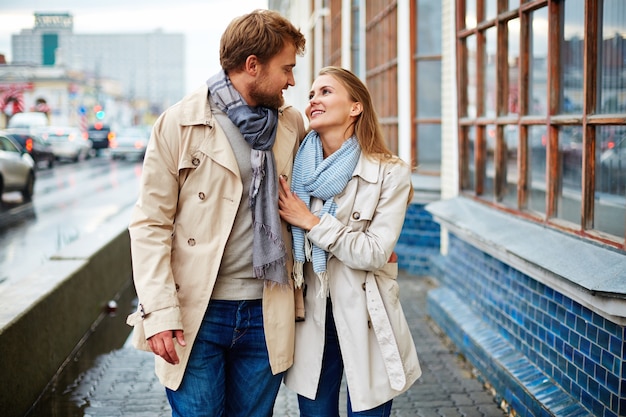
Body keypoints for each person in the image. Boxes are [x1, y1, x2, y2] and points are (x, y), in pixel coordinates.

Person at [125, 9, 306, 417]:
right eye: (287, 68)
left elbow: (332, 179)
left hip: (266, 307)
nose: (292, 81)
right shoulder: (180, 123)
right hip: (195, 313)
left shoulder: (290, 124)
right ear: (252, 65)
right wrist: (158, 312)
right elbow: (150, 223)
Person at [278, 66, 422, 417]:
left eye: (325, 92)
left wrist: (311, 222)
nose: (313, 100)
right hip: (311, 314)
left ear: (355, 107)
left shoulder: (390, 172)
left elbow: (374, 252)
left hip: (366, 314)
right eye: (311, 94)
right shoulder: (297, 169)